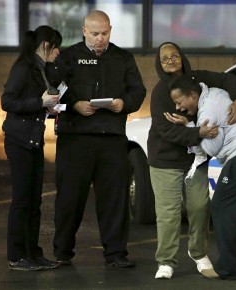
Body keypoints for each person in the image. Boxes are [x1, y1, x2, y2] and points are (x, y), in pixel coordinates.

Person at [166, 75, 236, 283]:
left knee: (220, 206)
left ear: (192, 95)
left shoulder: (207, 112)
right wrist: (195, 128)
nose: (179, 107)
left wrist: (192, 132)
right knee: (234, 208)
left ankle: (234, 266)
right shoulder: (214, 93)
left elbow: (212, 148)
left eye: (179, 101)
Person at [53, 10, 146, 267]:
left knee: (114, 199)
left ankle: (116, 254)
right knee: (70, 198)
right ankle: (62, 253)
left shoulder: (123, 58)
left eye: (104, 33)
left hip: (112, 137)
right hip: (75, 138)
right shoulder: (69, 57)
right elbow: (54, 90)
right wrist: (75, 105)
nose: (100, 39)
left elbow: (138, 90)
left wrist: (123, 103)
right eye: (94, 33)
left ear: (110, 31)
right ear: (84, 31)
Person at [148, 42, 236, 279]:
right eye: (165, 58)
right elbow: (165, 130)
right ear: (159, 64)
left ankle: (199, 254)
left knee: (200, 207)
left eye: (174, 56)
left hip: (195, 159)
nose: (170, 60)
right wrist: (197, 134)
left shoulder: (197, 79)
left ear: (181, 56)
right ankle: (166, 261)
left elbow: (230, 80)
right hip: (164, 160)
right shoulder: (160, 92)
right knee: (169, 213)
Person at [1, 25, 62, 271]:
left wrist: (47, 108)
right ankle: (17, 255)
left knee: (34, 201)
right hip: (19, 140)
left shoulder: (40, 68)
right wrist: (40, 101)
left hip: (33, 139)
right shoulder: (24, 67)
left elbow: (33, 104)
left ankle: (33, 253)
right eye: (56, 47)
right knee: (22, 200)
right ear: (46, 45)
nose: (59, 53)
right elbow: (8, 101)